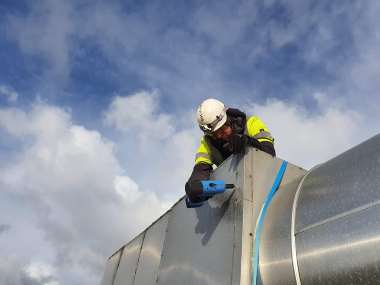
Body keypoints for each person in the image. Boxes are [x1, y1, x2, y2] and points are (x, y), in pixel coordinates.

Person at [185, 98, 276, 202]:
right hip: (236, 196)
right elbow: (201, 168)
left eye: (222, 130)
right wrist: (196, 184)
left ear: (228, 120)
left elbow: (269, 154)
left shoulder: (251, 122)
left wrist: (248, 142)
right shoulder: (207, 143)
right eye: (214, 134)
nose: (219, 136)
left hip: (262, 184)